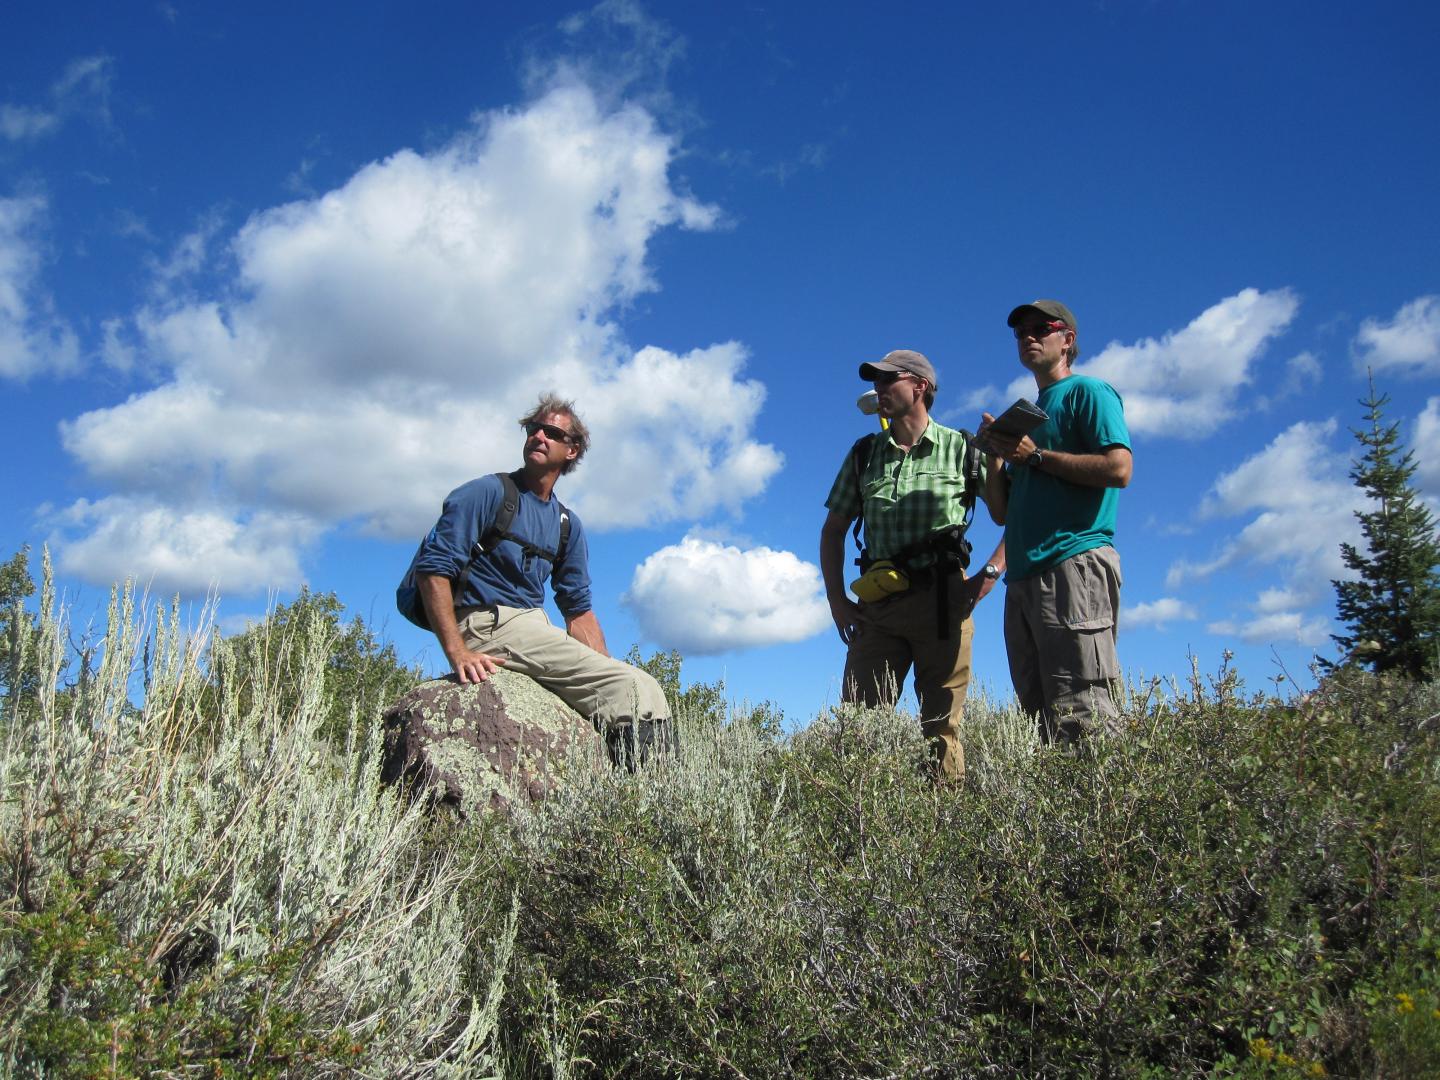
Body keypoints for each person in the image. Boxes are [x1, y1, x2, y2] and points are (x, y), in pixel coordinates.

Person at [409, 393, 673, 764]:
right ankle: (640, 802)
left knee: (637, 683)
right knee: (634, 690)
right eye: (534, 429)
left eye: (552, 432)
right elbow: (433, 568)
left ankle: (632, 799)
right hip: (486, 623)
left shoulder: (567, 525)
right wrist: (457, 652)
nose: (539, 437)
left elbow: (578, 610)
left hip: (532, 626)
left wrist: (604, 668)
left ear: (572, 450)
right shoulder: (486, 493)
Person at [819, 349, 1006, 780]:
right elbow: (832, 531)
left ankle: (941, 831)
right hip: (879, 607)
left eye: (890, 380)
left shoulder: (962, 448)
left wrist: (991, 574)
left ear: (920, 387)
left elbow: (1010, 515)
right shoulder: (865, 454)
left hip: (945, 603)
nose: (880, 389)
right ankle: (862, 832)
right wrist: (836, 600)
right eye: (877, 381)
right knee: (859, 727)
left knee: (941, 729)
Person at [979, 300, 1132, 744]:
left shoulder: (1090, 393)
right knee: (1040, 722)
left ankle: (1110, 813)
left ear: (1067, 339)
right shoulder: (1030, 415)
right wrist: (993, 458)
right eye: (1020, 331)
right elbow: (1002, 512)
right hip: (1024, 581)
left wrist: (1037, 456)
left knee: (1084, 716)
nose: (1027, 336)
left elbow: (1119, 469)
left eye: (1040, 328)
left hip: (1074, 565)